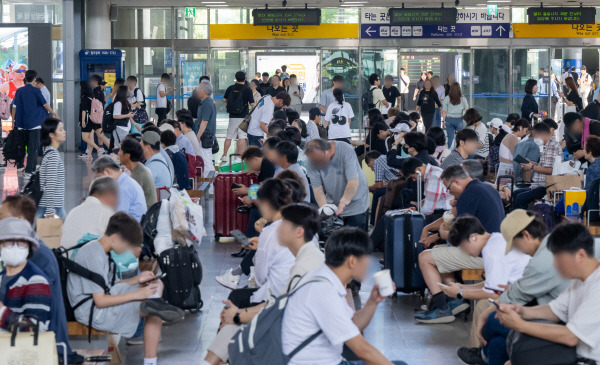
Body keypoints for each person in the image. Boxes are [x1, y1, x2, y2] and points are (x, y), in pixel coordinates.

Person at [200, 203, 324, 365]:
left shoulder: (304, 267)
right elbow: (277, 304)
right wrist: (240, 314)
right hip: (283, 327)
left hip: (290, 338)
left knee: (231, 329)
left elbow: (277, 308)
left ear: (299, 232)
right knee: (229, 330)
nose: (277, 228)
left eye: (284, 224)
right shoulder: (306, 256)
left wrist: (239, 315)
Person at [67, 212, 185, 365]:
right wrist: (137, 294)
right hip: (92, 312)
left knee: (155, 286)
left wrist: (138, 279)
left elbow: (113, 286)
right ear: (116, 238)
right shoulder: (92, 255)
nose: (127, 251)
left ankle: (154, 304)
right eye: (128, 246)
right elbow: (100, 301)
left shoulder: (103, 251)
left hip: (99, 302)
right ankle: (150, 360)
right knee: (149, 304)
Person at [281, 227, 407, 365]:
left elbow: (353, 324)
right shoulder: (323, 291)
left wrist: (372, 301)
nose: (369, 263)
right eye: (366, 257)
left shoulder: (326, 279)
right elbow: (363, 350)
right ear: (352, 261)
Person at [457, 210, 569, 365]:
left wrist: (485, 313)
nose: (518, 251)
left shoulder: (540, 262)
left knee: (494, 321)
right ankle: (483, 354)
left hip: (562, 325)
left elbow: (516, 294)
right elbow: (518, 293)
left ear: (527, 235)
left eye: (516, 245)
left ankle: (482, 353)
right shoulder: (551, 244)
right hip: (554, 313)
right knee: (497, 344)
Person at [496, 222, 600, 365]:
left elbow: (571, 337)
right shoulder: (579, 281)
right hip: (575, 354)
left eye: (559, 258)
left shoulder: (597, 286)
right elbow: (555, 310)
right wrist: (521, 311)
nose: (555, 265)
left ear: (580, 255)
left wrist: (520, 324)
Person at [416, 165, 505, 323]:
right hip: (492, 248)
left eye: (449, 189)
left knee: (425, 258)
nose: (450, 193)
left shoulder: (468, 196)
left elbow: (457, 235)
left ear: (456, 182)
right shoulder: (486, 188)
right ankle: (454, 299)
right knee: (437, 252)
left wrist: (441, 234)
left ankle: (441, 308)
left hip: (480, 253)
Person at [0, 196, 83, 364]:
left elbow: (35, 326)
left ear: (20, 222)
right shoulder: (20, 261)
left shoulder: (38, 259)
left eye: (2, 217)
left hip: (39, 351)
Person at [224, 179, 297, 308]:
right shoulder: (294, 222)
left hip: (276, 298)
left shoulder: (269, 232)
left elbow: (260, 278)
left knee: (235, 298)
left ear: (267, 204)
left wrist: (262, 240)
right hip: (294, 292)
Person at [437, 215, 530, 314]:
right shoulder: (496, 238)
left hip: (528, 296)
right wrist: (462, 287)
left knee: (484, 307)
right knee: (482, 306)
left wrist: (460, 293)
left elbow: (494, 293)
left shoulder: (492, 252)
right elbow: (492, 284)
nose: (464, 252)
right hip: (523, 290)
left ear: (473, 237)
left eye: (463, 247)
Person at [305, 139, 370, 230]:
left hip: (356, 201)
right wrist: (327, 210)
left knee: (355, 240)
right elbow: (317, 189)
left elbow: (352, 182)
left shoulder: (345, 149)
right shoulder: (312, 161)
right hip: (334, 203)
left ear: (328, 150)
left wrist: (342, 204)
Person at [0, 218, 51, 332]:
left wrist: (2, 312)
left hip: (22, 349)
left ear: (29, 246)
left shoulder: (36, 280)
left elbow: (36, 328)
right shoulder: (1, 277)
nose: (15, 246)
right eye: (9, 241)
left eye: (21, 242)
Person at [11, 69, 59, 177]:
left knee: (24, 147)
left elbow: (14, 108)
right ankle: (28, 171)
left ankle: (31, 169)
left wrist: (13, 121)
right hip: (35, 124)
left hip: (21, 124)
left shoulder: (19, 91)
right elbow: (45, 105)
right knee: (33, 149)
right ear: (34, 79)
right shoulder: (37, 91)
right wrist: (54, 113)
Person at [513, 123, 561, 210]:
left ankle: (522, 222)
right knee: (516, 193)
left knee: (521, 198)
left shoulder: (552, 146)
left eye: (535, 136)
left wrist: (531, 167)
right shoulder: (546, 146)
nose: (534, 139)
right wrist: (531, 163)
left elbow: (551, 170)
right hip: (538, 185)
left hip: (546, 186)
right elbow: (544, 166)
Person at [61, 176, 118, 248]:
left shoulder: (73, 211)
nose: (117, 203)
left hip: (64, 257)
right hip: (85, 258)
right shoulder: (106, 212)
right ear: (110, 195)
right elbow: (118, 245)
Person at [92, 156, 147, 221]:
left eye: (99, 177)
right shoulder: (125, 181)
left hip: (130, 228)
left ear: (108, 172)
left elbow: (117, 218)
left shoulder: (123, 188)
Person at [36, 117, 66, 220]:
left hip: (52, 205)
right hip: (52, 208)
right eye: (61, 129)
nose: (64, 132)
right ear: (52, 134)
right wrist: (49, 211)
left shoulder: (48, 152)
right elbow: (50, 185)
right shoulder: (53, 156)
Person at [221, 71, 254, 162]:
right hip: (243, 116)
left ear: (236, 78)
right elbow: (251, 103)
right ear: (245, 78)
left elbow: (224, 100)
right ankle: (239, 157)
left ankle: (224, 155)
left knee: (229, 136)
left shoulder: (230, 88)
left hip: (232, 116)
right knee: (242, 136)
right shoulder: (247, 89)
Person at [119, 137, 157, 209]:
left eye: (120, 151)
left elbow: (128, 202)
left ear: (127, 156)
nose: (118, 154)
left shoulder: (138, 175)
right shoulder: (139, 169)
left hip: (145, 216)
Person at [365, 150, 399, 224]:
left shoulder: (377, 162)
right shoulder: (386, 158)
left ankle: (373, 222)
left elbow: (379, 185)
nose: (371, 169)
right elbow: (387, 182)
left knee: (377, 192)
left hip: (399, 186)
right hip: (402, 183)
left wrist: (368, 188)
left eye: (369, 166)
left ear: (371, 160)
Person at [195, 80, 217, 178]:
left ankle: (211, 187)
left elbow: (204, 122)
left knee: (206, 161)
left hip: (205, 136)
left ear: (203, 91)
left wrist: (198, 136)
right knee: (206, 159)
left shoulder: (207, 103)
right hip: (206, 135)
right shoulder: (205, 102)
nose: (197, 90)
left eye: (199, 88)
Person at [78, 81, 105, 158]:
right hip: (91, 119)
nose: (79, 88)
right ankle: (89, 153)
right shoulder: (91, 97)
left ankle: (98, 149)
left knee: (85, 137)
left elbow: (84, 110)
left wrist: (82, 121)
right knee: (90, 137)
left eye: (80, 87)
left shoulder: (84, 98)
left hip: (86, 120)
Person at [442, 82, 469, 147]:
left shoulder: (447, 98)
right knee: (460, 137)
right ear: (459, 89)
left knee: (450, 137)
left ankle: (450, 152)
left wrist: (443, 121)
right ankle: (459, 151)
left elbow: (444, 111)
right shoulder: (463, 98)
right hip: (459, 119)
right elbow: (467, 109)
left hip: (449, 119)